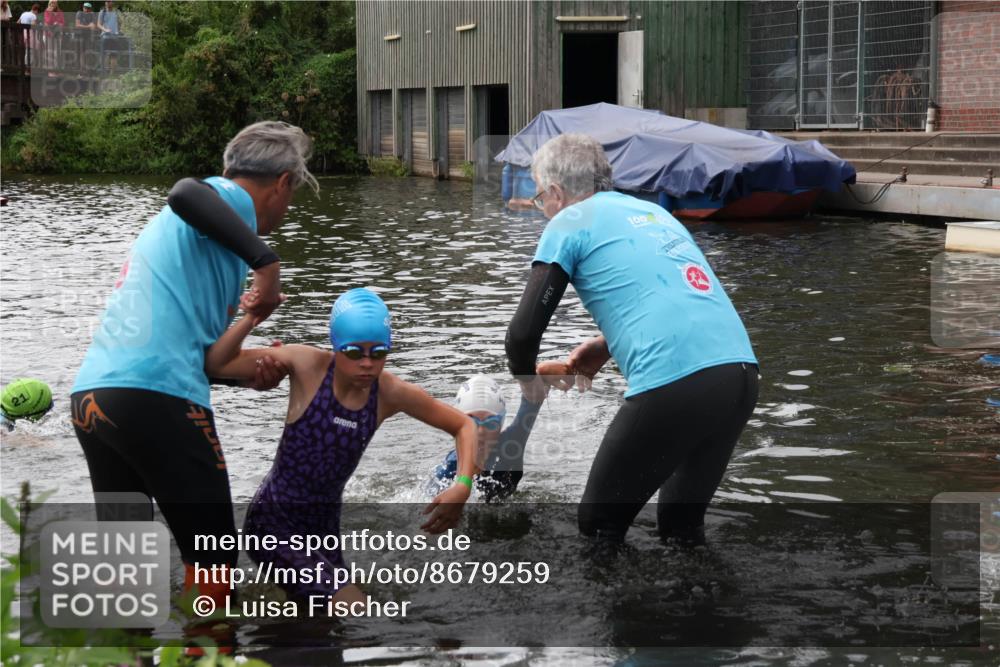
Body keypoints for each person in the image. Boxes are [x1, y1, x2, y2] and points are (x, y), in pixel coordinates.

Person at [70, 121, 312, 611]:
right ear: (283, 182)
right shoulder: (222, 201)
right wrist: (267, 264)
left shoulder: (208, 242)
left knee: (123, 565)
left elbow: (202, 363)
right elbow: (183, 191)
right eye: (292, 196)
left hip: (95, 400)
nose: (287, 210)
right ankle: (209, 657)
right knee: (214, 560)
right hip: (153, 398)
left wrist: (255, 367)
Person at [505, 133, 759, 548]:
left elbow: (522, 334)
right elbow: (679, 294)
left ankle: (616, 613)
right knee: (681, 531)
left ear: (554, 191)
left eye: (538, 199)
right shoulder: (656, 215)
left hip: (675, 383)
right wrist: (603, 346)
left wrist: (529, 391)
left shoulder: (569, 220)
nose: (542, 209)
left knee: (598, 526)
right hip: (740, 377)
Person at [204, 287, 477, 606]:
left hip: (324, 529)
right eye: (353, 352)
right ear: (335, 346)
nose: (367, 364)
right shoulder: (307, 365)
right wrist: (251, 318)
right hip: (273, 520)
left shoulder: (389, 392)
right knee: (354, 607)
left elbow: (464, 425)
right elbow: (216, 365)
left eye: (378, 353)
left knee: (326, 629)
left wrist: (463, 486)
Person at [428, 370, 564, 502]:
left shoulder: (511, 443)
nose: (481, 431)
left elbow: (534, 398)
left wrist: (543, 372)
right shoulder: (449, 470)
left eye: (491, 423)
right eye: (471, 422)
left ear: (501, 425)